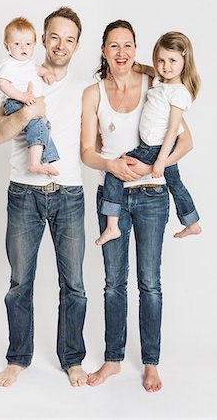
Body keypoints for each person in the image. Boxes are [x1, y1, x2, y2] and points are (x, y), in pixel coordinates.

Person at [81, 20, 193, 392]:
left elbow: (185, 142)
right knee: (114, 283)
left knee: (150, 283)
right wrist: (112, 164)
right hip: (111, 196)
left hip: (151, 196)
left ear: (136, 49)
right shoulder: (93, 92)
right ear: (103, 51)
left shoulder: (155, 84)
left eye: (128, 45)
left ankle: (150, 363)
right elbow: (86, 153)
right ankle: (113, 360)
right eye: (114, 46)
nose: (122, 53)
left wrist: (152, 166)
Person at [0, 7, 88, 388]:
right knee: (19, 283)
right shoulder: (22, 74)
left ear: (77, 45)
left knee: (75, 284)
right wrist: (29, 111)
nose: (61, 44)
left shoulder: (85, 89)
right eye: (54, 36)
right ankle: (18, 358)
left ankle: (72, 359)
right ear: (43, 38)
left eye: (69, 39)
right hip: (23, 194)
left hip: (69, 194)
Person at [96, 31, 202, 246]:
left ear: (184, 61)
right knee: (176, 183)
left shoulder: (178, 92)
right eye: (161, 60)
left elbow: (173, 129)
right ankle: (191, 221)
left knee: (115, 170)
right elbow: (148, 69)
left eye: (172, 61)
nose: (166, 66)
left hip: (154, 147)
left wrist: (160, 161)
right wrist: (136, 66)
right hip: (152, 145)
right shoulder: (161, 80)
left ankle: (112, 225)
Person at [0, 16, 59, 176]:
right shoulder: (9, 64)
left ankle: (44, 161)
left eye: (28, 44)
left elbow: (38, 70)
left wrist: (47, 73)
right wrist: (23, 97)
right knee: (38, 123)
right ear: (7, 46)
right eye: (17, 44)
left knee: (44, 126)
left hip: (29, 103)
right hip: (15, 103)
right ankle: (34, 164)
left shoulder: (29, 64)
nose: (23, 48)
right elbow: (3, 84)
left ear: (34, 44)